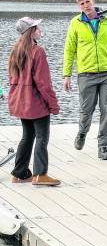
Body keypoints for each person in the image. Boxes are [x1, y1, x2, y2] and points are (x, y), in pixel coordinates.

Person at [63, 0, 107, 160]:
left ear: (93, 1)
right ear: (79, 6)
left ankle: (103, 146)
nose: (86, 6)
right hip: (86, 74)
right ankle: (82, 132)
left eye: (88, 1)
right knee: (86, 111)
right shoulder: (75, 23)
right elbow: (69, 50)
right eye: (82, 3)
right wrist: (66, 75)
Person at [8, 17, 60, 186]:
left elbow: (12, 79)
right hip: (37, 103)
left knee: (27, 136)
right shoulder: (38, 51)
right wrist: (53, 104)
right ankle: (40, 175)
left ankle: (19, 173)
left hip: (22, 102)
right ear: (31, 32)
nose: (39, 29)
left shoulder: (15, 50)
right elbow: (43, 83)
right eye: (36, 27)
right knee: (42, 138)